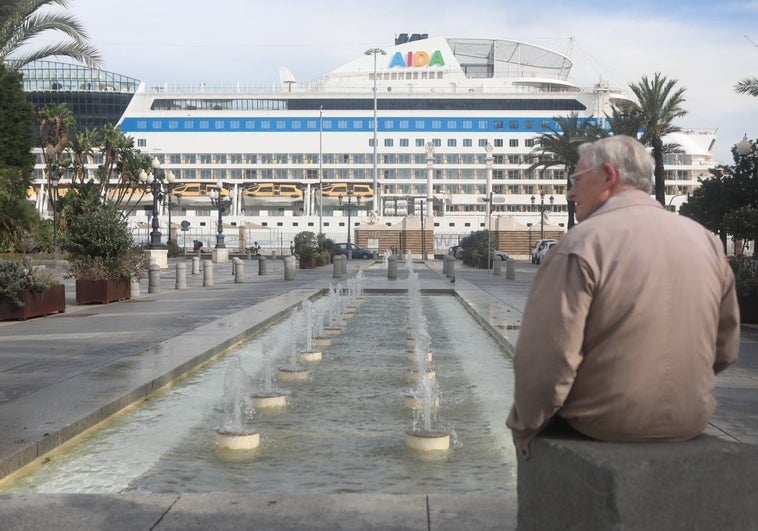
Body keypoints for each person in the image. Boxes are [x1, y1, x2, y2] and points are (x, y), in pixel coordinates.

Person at [506, 135, 740, 458]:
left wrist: (525, 428)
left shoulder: (582, 244)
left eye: (576, 180)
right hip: (691, 422)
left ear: (608, 175)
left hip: (602, 425)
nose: (571, 191)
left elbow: (547, 361)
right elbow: (726, 348)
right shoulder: (707, 242)